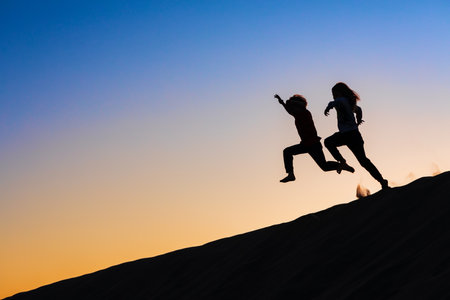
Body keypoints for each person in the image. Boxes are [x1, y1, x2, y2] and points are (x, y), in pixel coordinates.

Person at [275, 93, 353, 183]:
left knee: (324, 166)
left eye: (294, 107)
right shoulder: (296, 115)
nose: (292, 110)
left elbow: (301, 105)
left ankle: (342, 165)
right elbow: (288, 110)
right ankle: (291, 174)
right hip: (305, 144)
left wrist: (290, 101)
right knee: (287, 152)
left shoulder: (305, 112)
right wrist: (282, 102)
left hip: (314, 144)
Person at [324, 82, 389, 189]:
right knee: (363, 161)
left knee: (328, 142)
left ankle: (342, 161)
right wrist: (358, 121)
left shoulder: (341, 100)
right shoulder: (348, 103)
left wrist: (328, 107)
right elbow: (358, 110)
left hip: (348, 135)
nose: (333, 95)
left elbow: (334, 102)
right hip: (354, 135)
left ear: (339, 92)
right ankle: (382, 181)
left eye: (334, 93)